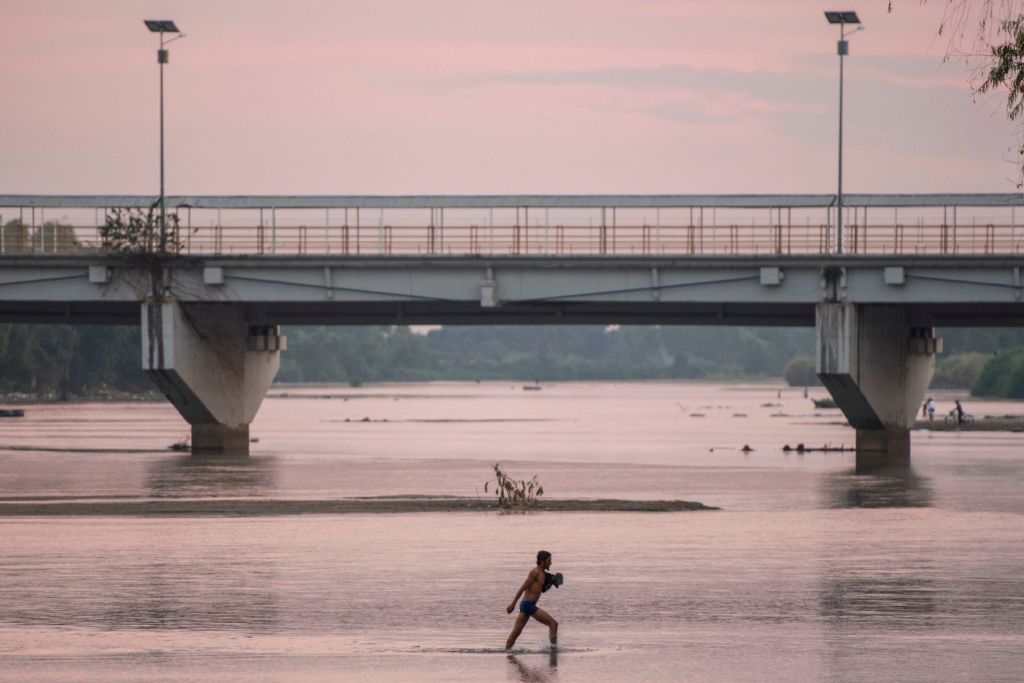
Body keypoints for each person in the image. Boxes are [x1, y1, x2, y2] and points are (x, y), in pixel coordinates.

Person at [505, 550, 559, 650]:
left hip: (527, 606)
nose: (551, 562)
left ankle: (506, 652)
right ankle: (554, 651)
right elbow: (522, 588)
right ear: (543, 561)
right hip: (528, 605)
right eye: (549, 560)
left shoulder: (544, 574)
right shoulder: (535, 572)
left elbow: (541, 590)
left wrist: (552, 583)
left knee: (516, 633)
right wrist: (513, 604)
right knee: (553, 624)